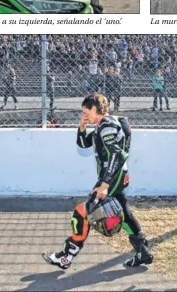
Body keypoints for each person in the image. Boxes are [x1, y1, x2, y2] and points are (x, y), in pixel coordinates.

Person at [43, 93, 153, 269]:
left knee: (82, 212)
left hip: (111, 179)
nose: (84, 115)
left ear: (94, 109)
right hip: (119, 176)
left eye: (86, 112)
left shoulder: (106, 126)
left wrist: (104, 185)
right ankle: (143, 253)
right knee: (125, 214)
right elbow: (83, 144)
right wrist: (82, 126)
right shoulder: (107, 123)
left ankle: (66, 257)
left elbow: (118, 154)